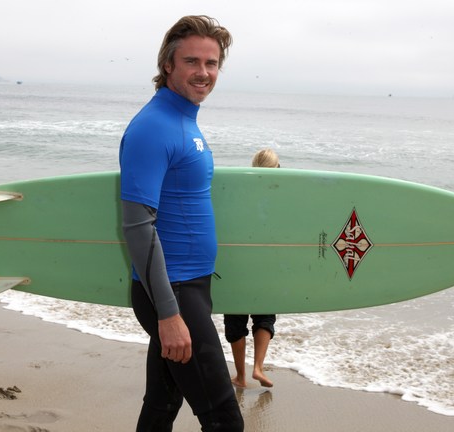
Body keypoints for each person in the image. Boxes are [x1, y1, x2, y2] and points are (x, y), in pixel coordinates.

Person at [119, 15, 244, 431]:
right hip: (172, 293)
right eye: (192, 62)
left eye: (212, 64)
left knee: (161, 405)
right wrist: (169, 315)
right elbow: (137, 226)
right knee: (224, 418)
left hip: (190, 287)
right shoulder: (153, 127)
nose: (204, 73)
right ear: (168, 65)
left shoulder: (183, 120)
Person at [224, 149, 280, 389]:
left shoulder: (239, 191)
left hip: (238, 263)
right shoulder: (284, 194)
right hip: (268, 264)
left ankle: (241, 376)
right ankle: (258, 367)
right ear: (278, 168)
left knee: (235, 317)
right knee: (264, 315)